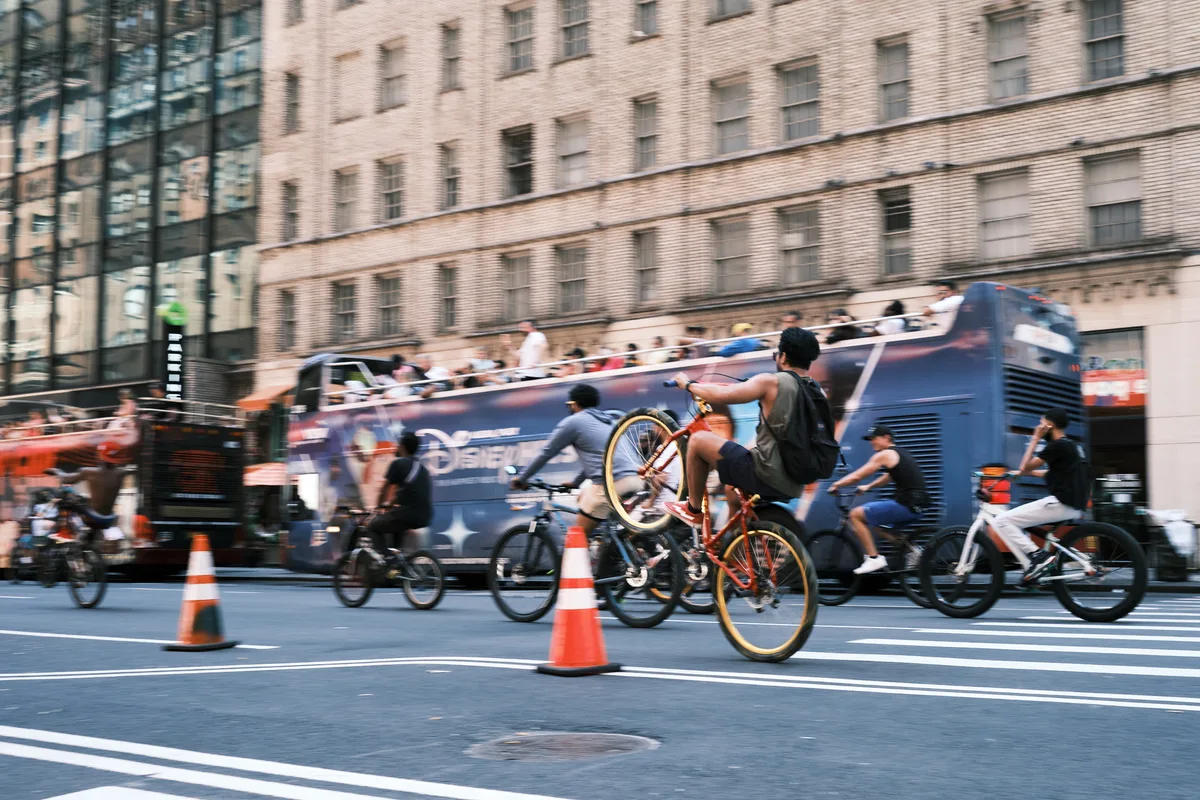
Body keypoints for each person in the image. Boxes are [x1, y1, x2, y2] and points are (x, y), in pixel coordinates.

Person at [662, 327, 824, 526]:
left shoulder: (771, 382)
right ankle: (734, 547)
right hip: (794, 483)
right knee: (732, 490)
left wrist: (688, 385)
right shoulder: (817, 392)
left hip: (767, 474)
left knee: (697, 440)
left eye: (776, 355)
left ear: (783, 357)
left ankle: (693, 510)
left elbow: (723, 396)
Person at [511, 384, 641, 534]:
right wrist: (575, 483)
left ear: (574, 404)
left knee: (576, 538)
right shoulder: (609, 421)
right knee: (585, 498)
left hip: (613, 483)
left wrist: (521, 479)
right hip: (636, 479)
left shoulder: (573, 422)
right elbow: (603, 456)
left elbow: (546, 452)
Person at [994, 408, 1091, 584]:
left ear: (1049, 425)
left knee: (1002, 521)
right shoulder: (1072, 446)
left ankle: (1038, 556)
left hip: (1061, 503)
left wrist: (1035, 437)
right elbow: (1051, 474)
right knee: (1023, 522)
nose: (1039, 426)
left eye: (1041, 423)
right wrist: (1020, 474)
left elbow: (1025, 466)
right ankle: (1038, 566)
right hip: (1074, 506)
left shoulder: (1056, 445)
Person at [826, 424, 931, 575]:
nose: (872, 442)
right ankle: (913, 552)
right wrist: (868, 487)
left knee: (855, 515)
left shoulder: (885, 454)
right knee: (878, 527)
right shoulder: (900, 453)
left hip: (906, 504)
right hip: (918, 505)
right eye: (870, 439)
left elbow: (857, 476)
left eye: (874, 438)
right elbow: (888, 477)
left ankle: (873, 558)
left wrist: (837, 484)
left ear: (886, 438)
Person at [44, 441, 134, 538]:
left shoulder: (88, 472)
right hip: (109, 518)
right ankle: (88, 536)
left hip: (93, 517)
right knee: (82, 499)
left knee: (64, 500)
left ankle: (65, 531)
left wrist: (56, 471)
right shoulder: (121, 473)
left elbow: (66, 479)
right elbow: (130, 469)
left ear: (100, 456)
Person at [367, 431, 432, 565]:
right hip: (425, 515)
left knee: (372, 526)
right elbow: (409, 492)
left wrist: (377, 508)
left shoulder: (398, 463)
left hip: (407, 512)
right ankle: (398, 564)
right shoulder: (423, 468)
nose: (396, 447)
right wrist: (390, 504)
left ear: (402, 447)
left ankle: (388, 559)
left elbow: (384, 489)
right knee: (396, 524)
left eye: (398, 445)